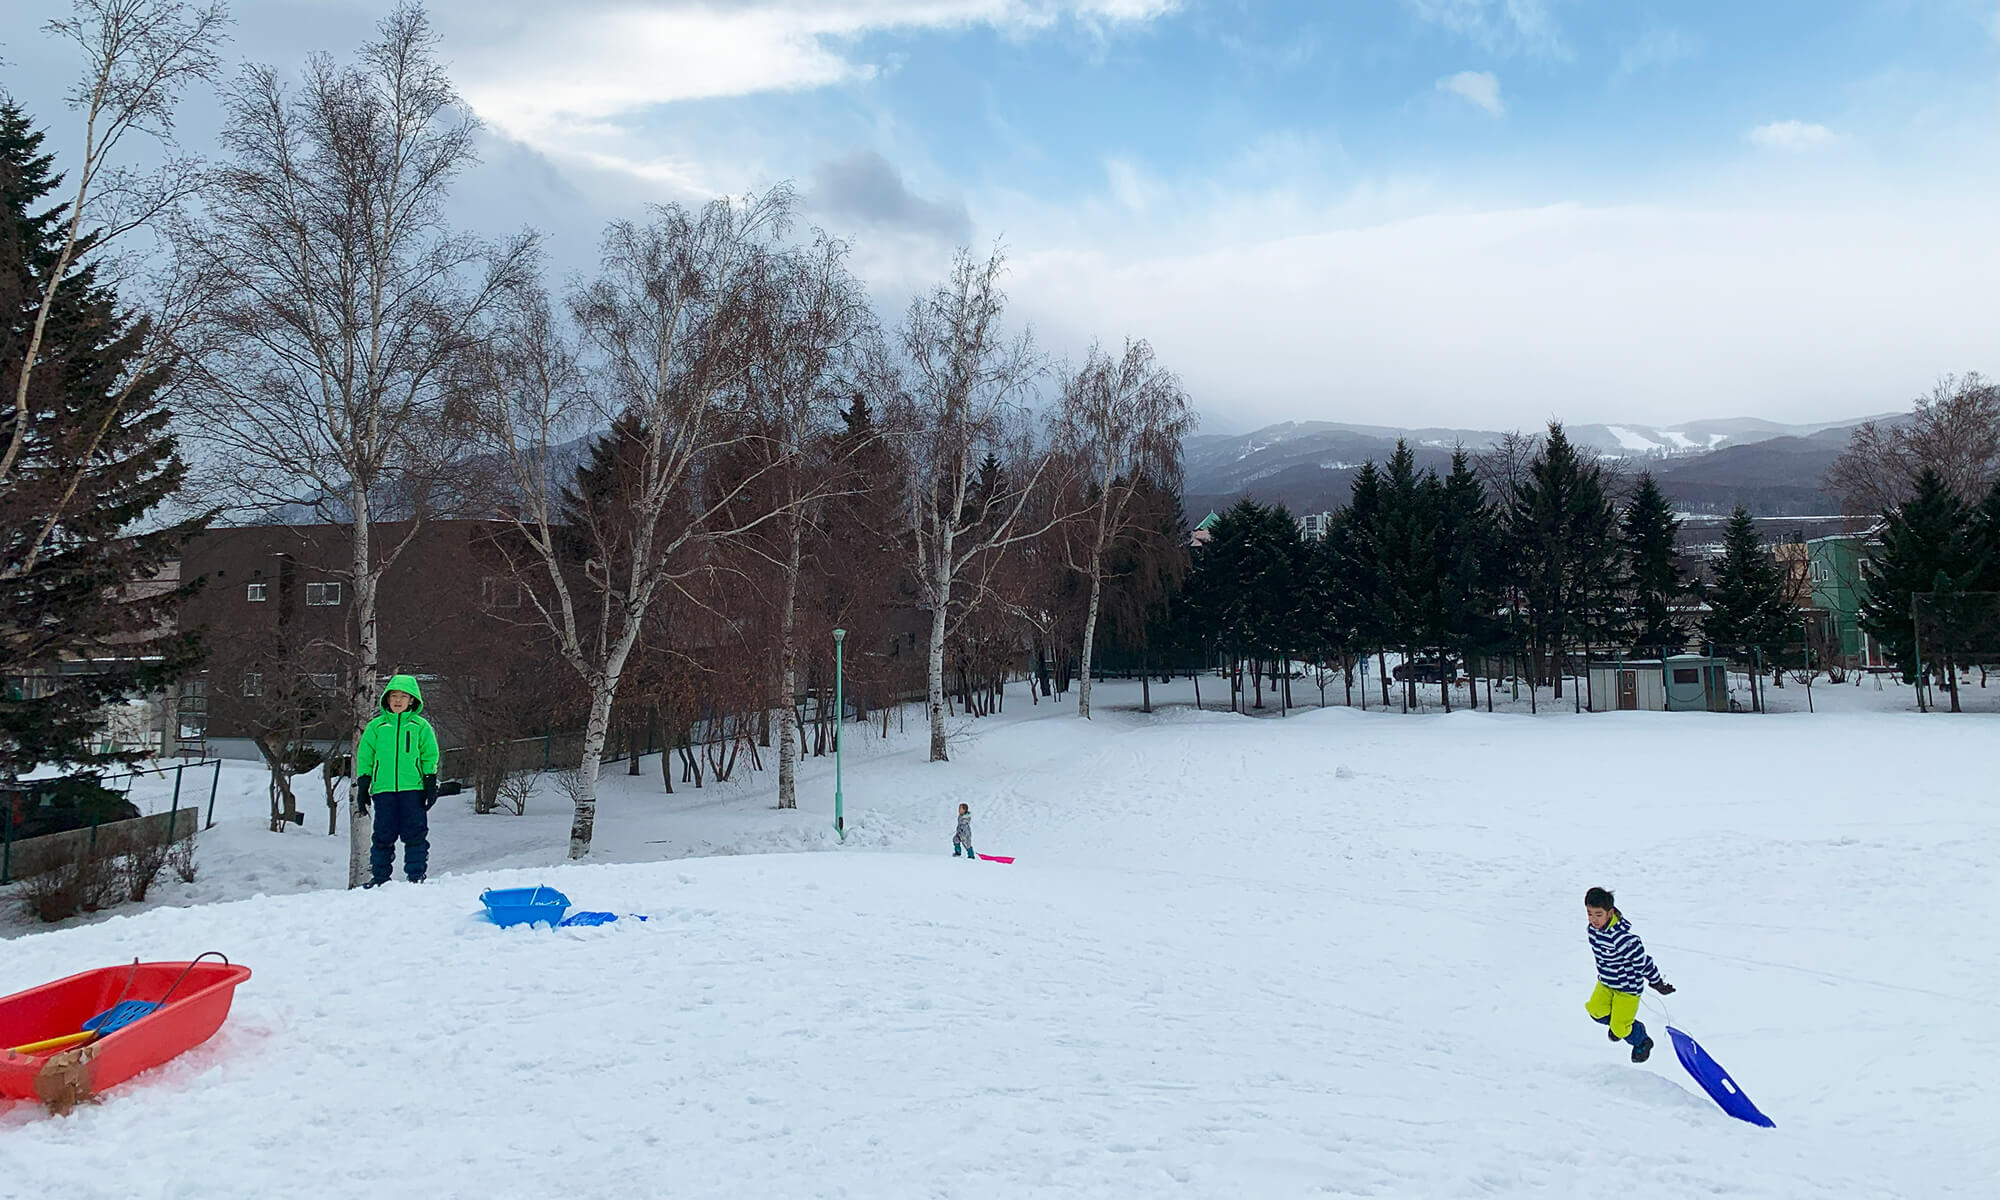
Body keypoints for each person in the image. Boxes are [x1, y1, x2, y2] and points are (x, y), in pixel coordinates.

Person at [354, 674, 440, 887]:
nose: (398, 700)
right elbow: (365, 757)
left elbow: (430, 754)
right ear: (387, 698)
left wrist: (430, 781)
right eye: (394, 695)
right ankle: (381, 879)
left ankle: (416, 876)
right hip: (383, 790)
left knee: (415, 834)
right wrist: (364, 785)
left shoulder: (420, 726)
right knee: (383, 834)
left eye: (404, 696)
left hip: (413, 789)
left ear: (412, 700)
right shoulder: (376, 727)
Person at [1583, 886, 1675, 1063]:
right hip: (1606, 983)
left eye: (1598, 914)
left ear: (1610, 913)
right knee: (1595, 1011)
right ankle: (1621, 1025)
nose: (1593, 919)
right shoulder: (1592, 931)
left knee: (1620, 1028)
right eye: (1589, 913)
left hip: (1627, 989)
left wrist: (1657, 983)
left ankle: (1641, 1039)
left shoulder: (1624, 940)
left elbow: (1644, 962)